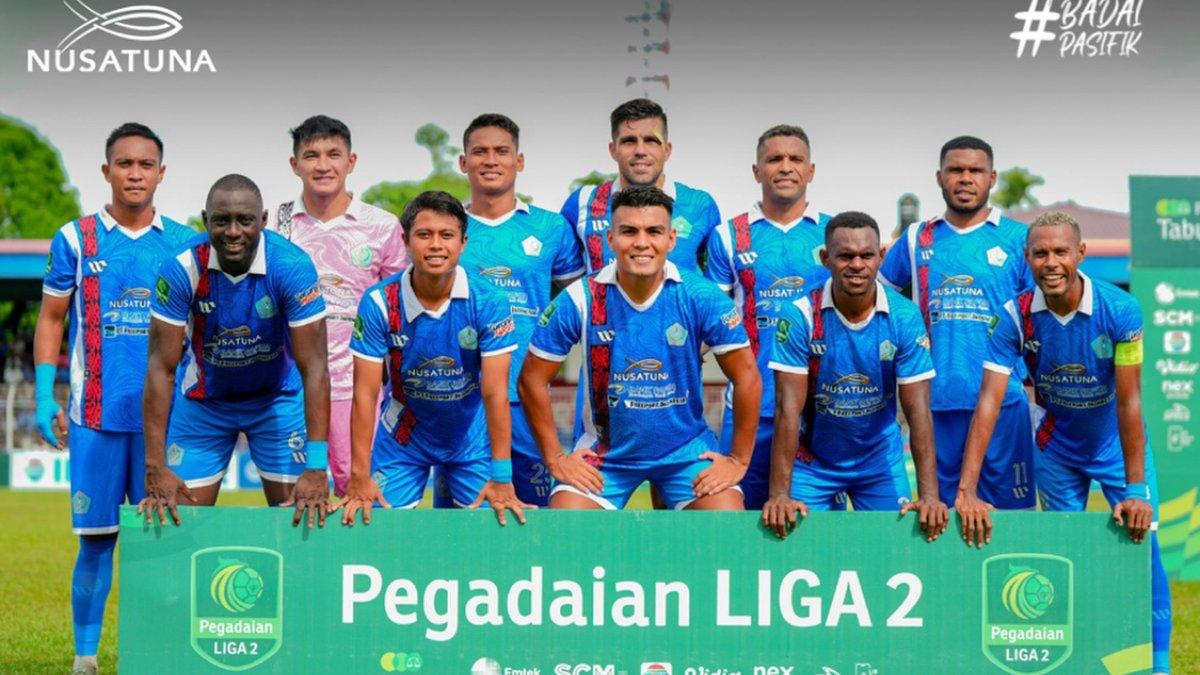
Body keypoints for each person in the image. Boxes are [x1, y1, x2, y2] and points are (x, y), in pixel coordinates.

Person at [957, 212, 1171, 674]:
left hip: (1116, 448)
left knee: (1145, 553)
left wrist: (1136, 488)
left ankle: (1159, 666)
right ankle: (1074, 662)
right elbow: (989, 402)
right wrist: (966, 491)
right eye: (1040, 253)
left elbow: (1130, 403)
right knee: (1062, 559)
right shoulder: (1013, 316)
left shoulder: (1120, 310)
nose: (1050, 262)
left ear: (1080, 254)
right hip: (1056, 450)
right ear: (1027, 258)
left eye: (1060, 252)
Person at [34, 123, 193, 675]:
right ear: (107, 171)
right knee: (97, 542)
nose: (135, 174)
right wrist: (43, 397)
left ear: (161, 173)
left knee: (164, 543)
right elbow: (51, 319)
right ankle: (86, 659)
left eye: (146, 165)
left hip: (164, 426)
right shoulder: (75, 239)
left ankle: (162, 657)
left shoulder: (185, 243)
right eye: (124, 164)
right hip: (94, 419)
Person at [520, 185, 761, 510]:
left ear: (671, 239)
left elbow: (747, 376)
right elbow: (531, 379)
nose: (642, 242)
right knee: (568, 522)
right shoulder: (579, 298)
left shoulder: (702, 297)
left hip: (686, 452)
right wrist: (555, 459)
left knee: (724, 519)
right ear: (611, 239)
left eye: (654, 231)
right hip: (605, 455)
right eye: (629, 231)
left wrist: (738, 460)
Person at [139, 174, 333, 528]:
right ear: (205, 220)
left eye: (244, 220)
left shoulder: (291, 266)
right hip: (204, 405)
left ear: (263, 220)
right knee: (175, 520)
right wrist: (155, 466)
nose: (232, 232)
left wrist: (317, 466)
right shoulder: (182, 267)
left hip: (276, 400)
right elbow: (160, 367)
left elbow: (316, 367)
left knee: (302, 516)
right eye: (221, 221)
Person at [340, 191, 526, 524]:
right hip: (403, 436)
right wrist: (359, 474)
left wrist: (502, 475)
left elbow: (496, 392)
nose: (436, 245)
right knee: (372, 522)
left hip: (468, 435)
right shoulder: (379, 301)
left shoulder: (489, 300)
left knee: (494, 524)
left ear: (463, 242)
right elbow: (365, 393)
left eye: (447, 235)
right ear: (405, 242)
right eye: (424, 235)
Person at [762, 212, 947, 540]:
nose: (857, 265)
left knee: (895, 547)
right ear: (826, 258)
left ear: (881, 256)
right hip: (814, 462)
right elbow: (787, 409)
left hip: (879, 459)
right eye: (845, 256)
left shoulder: (904, 317)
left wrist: (930, 496)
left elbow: (918, 411)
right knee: (801, 547)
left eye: (866, 255)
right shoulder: (800, 314)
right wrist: (778, 495)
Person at [436, 113, 584, 508]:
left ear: (519, 161)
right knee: (461, 518)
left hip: (526, 393)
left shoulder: (551, 228)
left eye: (501, 151)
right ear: (463, 162)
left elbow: (581, 304)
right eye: (479, 152)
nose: (490, 160)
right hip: (461, 397)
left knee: (534, 514)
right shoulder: (444, 230)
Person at [879, 136, 1035, 509]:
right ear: (939, 177)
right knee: (939, 518)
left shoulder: (1019, 239)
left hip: (1005, 404)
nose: (965, 178)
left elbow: (1037, 319)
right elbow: (876, 299)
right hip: (936, 404)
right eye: (956, 170)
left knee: (1012, 521)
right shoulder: (917, 238)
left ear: (992, 178)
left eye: (975, 170)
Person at [267, 115, 407, 496]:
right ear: (295, 164)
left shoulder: (383, 227)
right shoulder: (275, 225)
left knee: (357, 496)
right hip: (290, 388)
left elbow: (399, 313)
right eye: (311, 156)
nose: (323, 165)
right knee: (294, 500)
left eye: (333, 154)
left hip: (356, 387)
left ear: (351, 161)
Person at [704, 124, 830, 508]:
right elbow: (712, 322)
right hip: (750, 408)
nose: (786, 167)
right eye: (775, 159)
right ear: (757, 171)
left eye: (796, 159)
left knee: (814, 522)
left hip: (820, 409)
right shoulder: (729, 236)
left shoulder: (834, 233)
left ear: (811, 170)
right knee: (740, 516)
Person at [560, 98, 721, 274]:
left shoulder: (700, 205)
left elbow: (718, 278)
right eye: (629, 141)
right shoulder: (582, 202)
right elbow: (564, 275)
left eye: (651, 140)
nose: (640, 151)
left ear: (667, 150)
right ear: (613, 150)